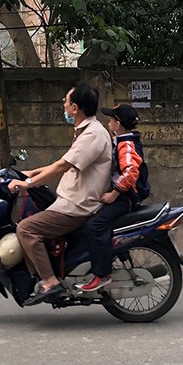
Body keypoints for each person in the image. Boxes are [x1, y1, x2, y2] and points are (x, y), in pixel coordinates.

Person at [7, 82, 112, 306]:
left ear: (75, 108)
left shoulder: (92, 135)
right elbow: (63, 162)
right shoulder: (85, 132)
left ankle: (50, 282)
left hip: (78, 206)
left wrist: (29, 183)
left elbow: (62, 167)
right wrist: (32, 172)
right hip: (71, 199)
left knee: (26, 228)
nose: (63, 105)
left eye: (66, 101)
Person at [77, 103, 149, 292]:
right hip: (121, 195)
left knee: (95, 226)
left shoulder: (126, 144)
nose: (108, 123)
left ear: (118, 124)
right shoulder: (121, 140)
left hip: (124, 198)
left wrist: (113, 194)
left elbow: (130, 172)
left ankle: (101, 274)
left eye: (111, 120)